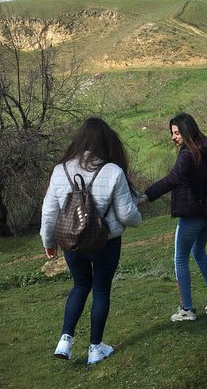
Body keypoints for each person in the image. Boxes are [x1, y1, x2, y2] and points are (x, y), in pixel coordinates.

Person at [40, 117, 142, 364]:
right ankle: (95, 348)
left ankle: (65, 341)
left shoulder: (60, 169)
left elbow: (49, 212)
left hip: (72, 243)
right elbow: (127, 214)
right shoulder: (113, 171)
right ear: (107, 142)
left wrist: (48, 241)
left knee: (79, 286)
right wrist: (138, 219)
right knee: (101, 290)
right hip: (105, 242)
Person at [138, 113, 207, 322]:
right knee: (199, 252)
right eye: (172, 133)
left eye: (176, 133)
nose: (173, 137)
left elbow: (173, 179)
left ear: (187, 131)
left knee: (180, 258)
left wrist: (145, 196)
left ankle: (187, 308)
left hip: (192, 214)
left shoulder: (188, 154)